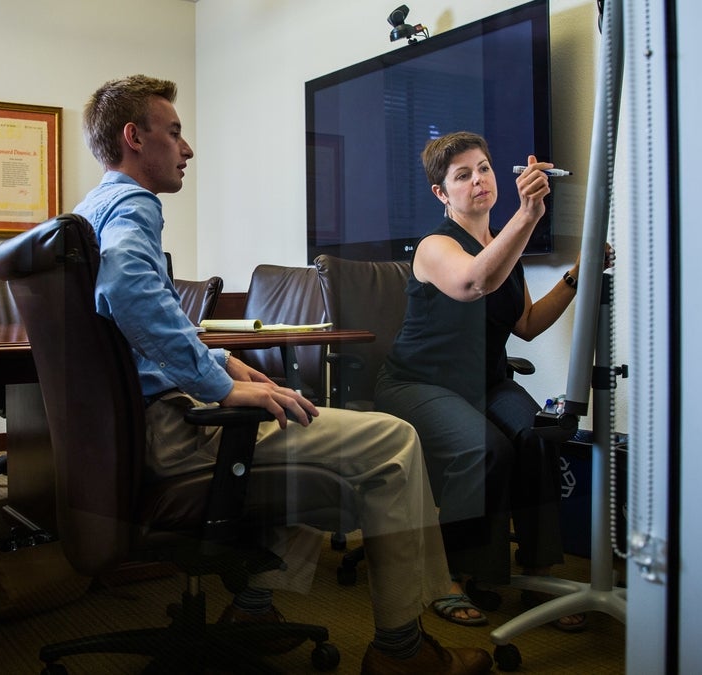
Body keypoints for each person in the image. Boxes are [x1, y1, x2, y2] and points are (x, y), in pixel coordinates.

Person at [73, 75, 492, 675]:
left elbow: (136, 333)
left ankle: (253, 605)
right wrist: (223, 387)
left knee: (290, 410)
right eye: (174, 132)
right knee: (393, 439)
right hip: (175, 432)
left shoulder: (89, 211)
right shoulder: (134, 206)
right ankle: (402, 652)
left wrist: (229, 366)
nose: (187, 149)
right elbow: (128, 291)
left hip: (131, 433)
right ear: (134, 138)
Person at [374, 131, 610, 631]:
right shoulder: (435, 246)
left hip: (484, 380)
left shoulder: (504, 247)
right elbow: (474, 281)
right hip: (419, 383)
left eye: (483, 168)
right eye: (463, 175)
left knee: (537, 432)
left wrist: (577, 275)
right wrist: (527, 215)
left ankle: (539, 573)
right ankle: (451, 576)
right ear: (442, 193)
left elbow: (524, 323)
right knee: (484, 448)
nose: (478, 179)